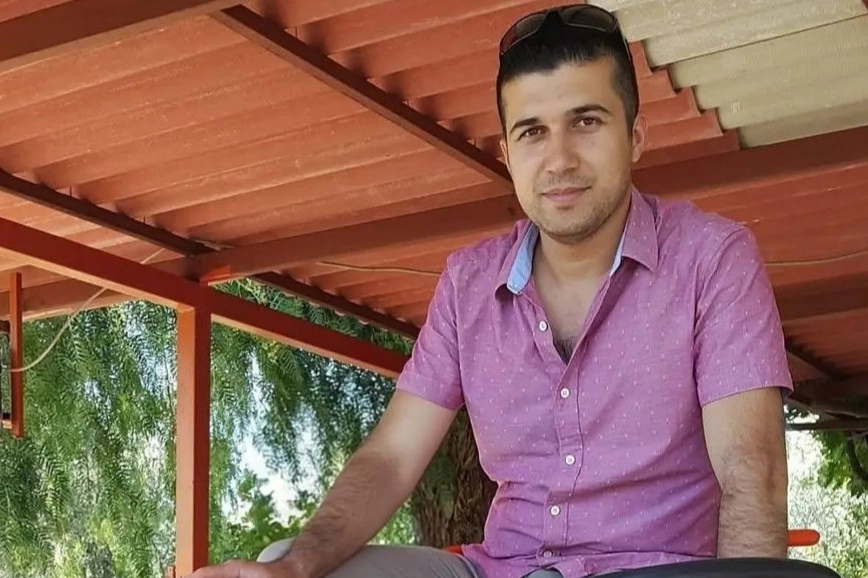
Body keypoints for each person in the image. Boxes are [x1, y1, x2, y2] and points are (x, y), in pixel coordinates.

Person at [189, 4, 792, 578]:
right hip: (499, 567)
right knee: (292, 563)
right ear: (506, 153)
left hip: (654, 569)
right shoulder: (469, 283)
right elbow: (392, 457)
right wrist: (297, 564)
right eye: (532, 132)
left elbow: (752, 470)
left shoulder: (711, 258)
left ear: (634, 136)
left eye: (586, 122)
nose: (559, 159)